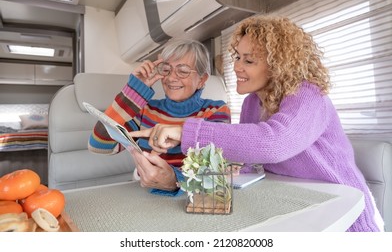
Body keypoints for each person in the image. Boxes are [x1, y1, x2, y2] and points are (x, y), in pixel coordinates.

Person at [130, 15, 383, 232]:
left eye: (248, 61)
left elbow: (274, 142)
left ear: (278, 66)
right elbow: (246, 166)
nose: (237, 66)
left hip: (344, 213)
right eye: (237, 57)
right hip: (296, 204)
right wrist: (174, 181)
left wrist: (185, 130)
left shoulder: (309, 95)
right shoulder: (253, 102)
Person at [88, 38, 231, 194]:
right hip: (146, 193)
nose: (170, 78)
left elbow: (216, 172)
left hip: (194, 199)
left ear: (201, 80)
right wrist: (132, 92)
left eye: (182, 71)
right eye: (166, 69)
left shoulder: (216, 110)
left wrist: (175, 180)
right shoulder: (146, 110)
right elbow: (99, 145)